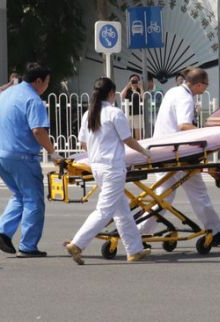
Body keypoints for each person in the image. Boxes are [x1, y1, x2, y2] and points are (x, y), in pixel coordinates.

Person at [137, 68, 220, 245]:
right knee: (197, 192)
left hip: (162, 149)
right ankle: (213, 231)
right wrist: (208, 133)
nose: (205, 89)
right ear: (198, 84)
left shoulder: (173, 91)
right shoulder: (185, 98)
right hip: (177, 152)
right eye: (205, 85)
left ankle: (137, 234)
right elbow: (183, 125)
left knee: (163, 196)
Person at [63, 77, 154, 265]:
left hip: (97, 167)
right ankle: (77, 243)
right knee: (104, 211)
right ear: (111, 93)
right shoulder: (114, 113)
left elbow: (83, 143)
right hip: (112, 168)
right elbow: (128, 140)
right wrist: (145, 152)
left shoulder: (88, 114)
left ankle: (134, 250)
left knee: (122, 212)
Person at [0, 63, 60, 257]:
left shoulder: (6, 94)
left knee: (19, 195)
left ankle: (2, 231)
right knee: (34, 199)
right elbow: (38, 130)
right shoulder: (33, 99)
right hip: (20, 156)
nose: (46, 87)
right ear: (38, 81)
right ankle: (28, 246)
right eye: (46, 83)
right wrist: (53, 153)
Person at [120, 74, 144, 140]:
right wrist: (128, 86)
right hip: (128, 113)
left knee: (138, 134)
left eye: (136, 80)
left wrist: (141, 87)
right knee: (128, 133)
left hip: (137, 113)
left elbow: (144, 97)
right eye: (132, 80)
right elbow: (121, 96)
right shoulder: (128, 90)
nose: (134, 82)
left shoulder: (139, 90)